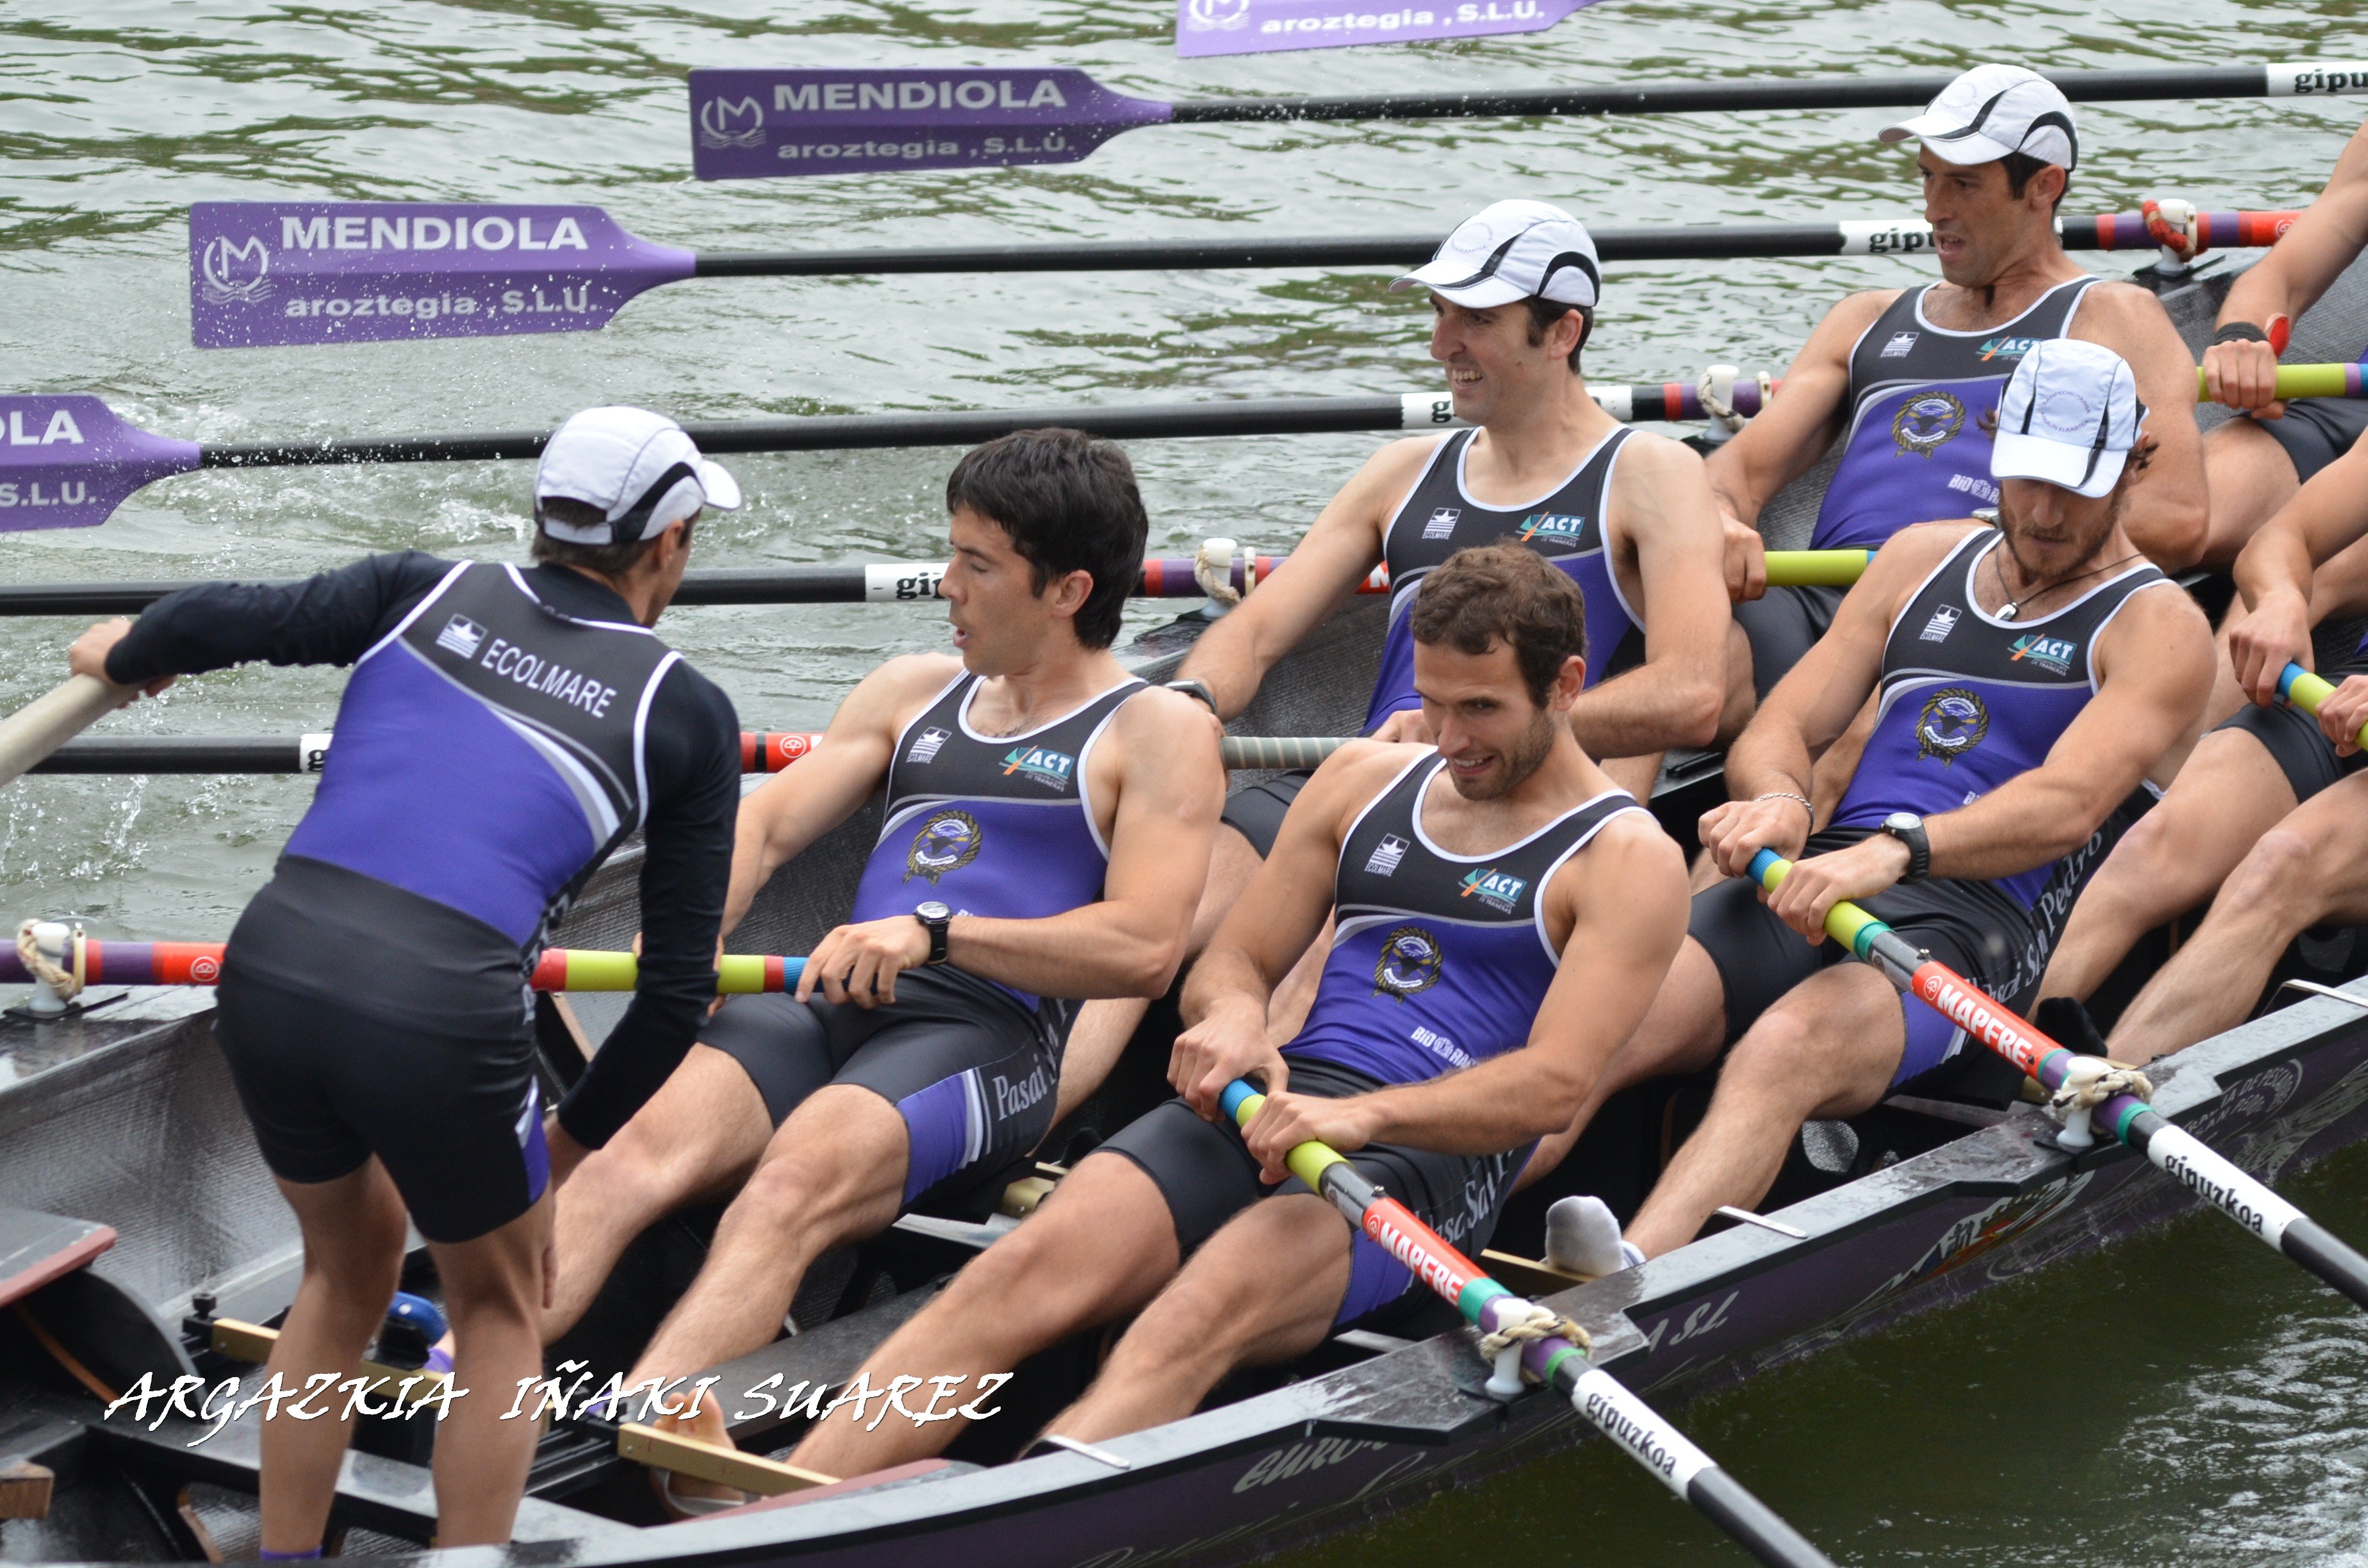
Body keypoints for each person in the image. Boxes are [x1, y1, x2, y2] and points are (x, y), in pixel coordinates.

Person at [787, 544, 1689, 1480]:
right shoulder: (1362, 782)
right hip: (1273, 1104)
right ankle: (794, 1505)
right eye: (1433, 701)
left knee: (1192, 1310)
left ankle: (1014, 1520)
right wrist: (1234, 1022)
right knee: (1021, 1267)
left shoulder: (1624, 861)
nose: (1448, 738)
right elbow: (1235, 960)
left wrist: (1361, 1117)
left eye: (1482, 709)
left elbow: (1553, 1088)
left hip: (1427, 1160)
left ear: (1566, 685)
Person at [64, 407, 744, 1549]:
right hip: (439, 1008)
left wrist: (128, 653)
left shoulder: (419, 587)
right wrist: (563, 1152)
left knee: (346, 1268)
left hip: (272, 967)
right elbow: (675, 993)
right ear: (669, 542)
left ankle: (283, 1554)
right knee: (501, 1302)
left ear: (546, 518)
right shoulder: (685, 711)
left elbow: (223, 617)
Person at [543, 429, 1221, 1491]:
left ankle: (616, 1458)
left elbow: (1143, 946)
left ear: (1067, 588)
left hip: (985, 1038)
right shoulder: (911, 689)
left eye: (977, 565)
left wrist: (940, 934)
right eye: (949, 554)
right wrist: (693, 921)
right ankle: (461, 1392)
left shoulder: (1154, 729)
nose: (945, 585)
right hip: (832, 998)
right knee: (626, 1149)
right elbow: (760, 833)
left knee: (788, 1185)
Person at [1546, 341, 2212, 1259]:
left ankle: (1619, 1293)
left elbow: (2063, 806)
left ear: (2136, 463)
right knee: (1603, 1019)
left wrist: (1898, 851)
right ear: (1994, 447)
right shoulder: (1918, 561)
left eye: (2077, 487)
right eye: (2026, 480)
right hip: (1826, 874)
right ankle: (1417, 1226)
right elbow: (1780, 731)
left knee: (1783, 1051)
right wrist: (1781, 801)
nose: (2046, 513)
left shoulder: (2158, 626)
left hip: (1977, 933)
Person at [1065, 198, 1727, 1081]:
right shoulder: (1405, 472)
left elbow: (1692, 692)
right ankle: (1034, 1109)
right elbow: (1257, 633)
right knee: (1160, 894)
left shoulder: (1649, 474)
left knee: (1316, 968)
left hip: (1516, 806)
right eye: (1439, 313)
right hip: (1358, 777)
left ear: (1563, 331)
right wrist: (1184, 710)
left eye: (1477, 320)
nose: (1441, 344)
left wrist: (1460, 738)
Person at [1711, 63, 2209, 717]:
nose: (1933, 208)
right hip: (1820, 609)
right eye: (1928, 176)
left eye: (1964, 183)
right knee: (1677, 624)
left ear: (2043, 187)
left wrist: (1990, 548)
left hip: (1987, 608)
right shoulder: (1864, 319)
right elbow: (1736, 473)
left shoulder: (2110, 317)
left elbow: (2179, 518)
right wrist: (1720, 520)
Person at [2041, 425, 2368, 1066]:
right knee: (2152, 846)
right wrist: (2279, 600)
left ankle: (2097, 1109)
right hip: (2345, 705)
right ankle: (1969, 1061)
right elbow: (2281, 540)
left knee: (2284, 863)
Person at [2192, 114, 2368, 568]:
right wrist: (2243, 340)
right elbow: (2282, 276)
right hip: (2352, 404)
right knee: (2170, 513)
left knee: (2293, 581)